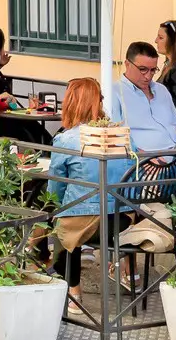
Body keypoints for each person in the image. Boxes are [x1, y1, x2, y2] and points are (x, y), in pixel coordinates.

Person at [45, 78, 131, 252]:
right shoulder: (122, 136)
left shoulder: (66, 139)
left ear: (70, 103)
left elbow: (56, 186)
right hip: (123, 218)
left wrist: (54, 208)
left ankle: (62, 274)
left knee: (52, 207)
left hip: (83, 221)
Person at [108, 40, 176, 153]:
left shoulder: (161, 90)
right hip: (145, 161)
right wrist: (143, 158)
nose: (148, 76)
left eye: (153, 70)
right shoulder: (114, 92)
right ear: (127, 64)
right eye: (142, 69)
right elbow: (114, 137)